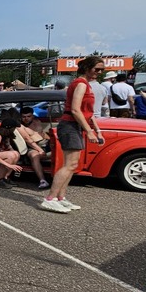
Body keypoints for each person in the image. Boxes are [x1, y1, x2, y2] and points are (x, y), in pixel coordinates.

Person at [40, 56, 104, 213]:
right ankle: (50, 198)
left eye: (102, 70)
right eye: (97, 69)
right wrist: (89, 131)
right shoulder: (81, 84)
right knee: (69, 165)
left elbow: (88, 113)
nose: (100, 72)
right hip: (70, 125)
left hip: (75, 126)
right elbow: (75, 109)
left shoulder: (84, 84)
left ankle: (60, 197)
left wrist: (97, 130)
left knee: (73, 165)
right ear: (87, 68)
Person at [7, 108, 50, 189]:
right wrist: (39, 150)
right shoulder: (19, 126)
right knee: (34, 155)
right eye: (24, 117)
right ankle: (42, 180)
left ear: (32, 116)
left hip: (44, 144)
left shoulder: (37, 122)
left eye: (29, 116)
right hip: (31, 147)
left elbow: (42, 134)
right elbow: (28, 140)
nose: (26, 118)